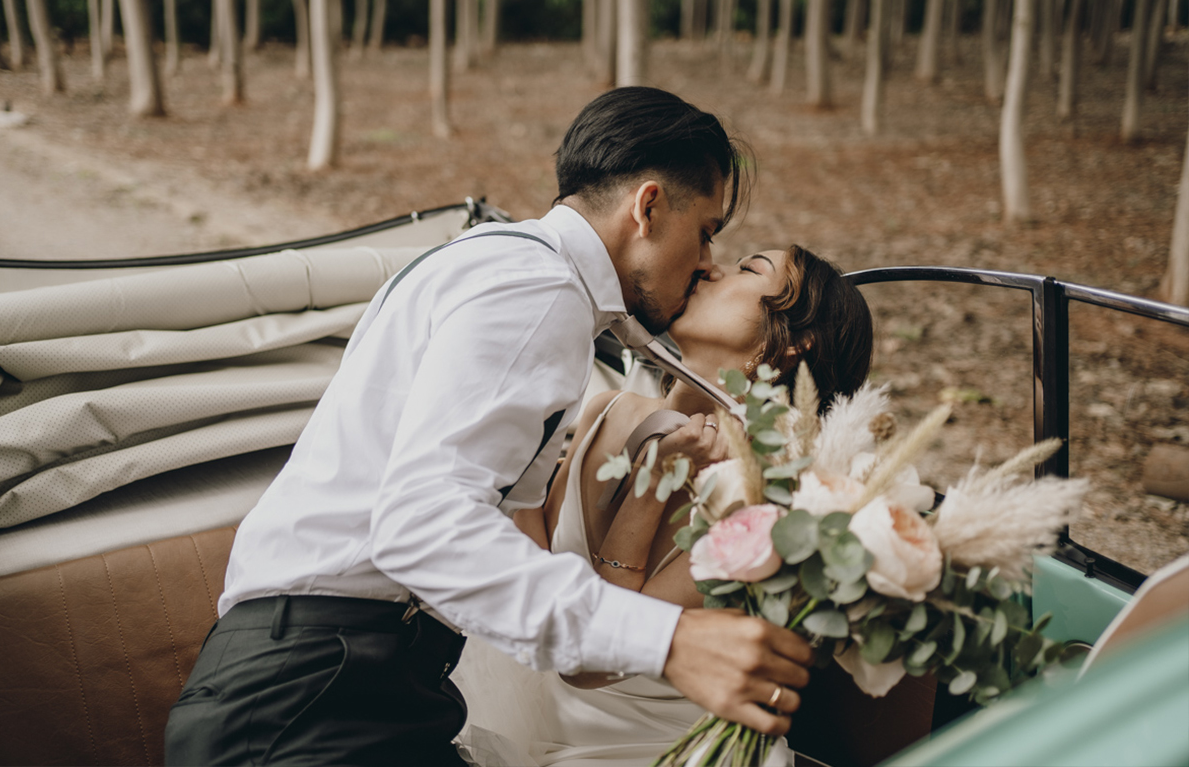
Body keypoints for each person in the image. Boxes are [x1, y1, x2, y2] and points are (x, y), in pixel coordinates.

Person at [164, 87, 817, 767]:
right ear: (647, 207)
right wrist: (669, 641)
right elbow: (420, 524)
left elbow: (512, 526)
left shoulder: (508, 265)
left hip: (363, 680)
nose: (709, 260)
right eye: (707, 231)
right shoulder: (538, 292)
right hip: (308, 697)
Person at [452, 244, 874, 767]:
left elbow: (590, 661)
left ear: (792, 344)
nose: (711, 266)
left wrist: (648, 491)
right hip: (518, 717)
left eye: (749, 268)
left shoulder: (769, 499)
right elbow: (533, 546)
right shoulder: (607, 408)